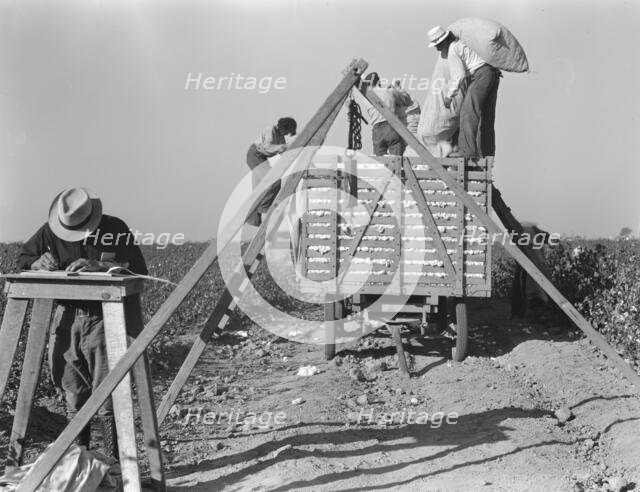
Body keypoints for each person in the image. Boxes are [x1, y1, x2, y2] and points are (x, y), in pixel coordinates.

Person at [18, 187, 148, 457]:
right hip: (65, 318)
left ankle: (114, 464)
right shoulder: (49, 232)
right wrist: (37, 264)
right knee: (74, 394)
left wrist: (101, 267)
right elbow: (23, 259)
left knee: (108, 395)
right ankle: (80, 462)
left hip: (104, 319)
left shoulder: (114, 228)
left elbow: (139, 268)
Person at [427, 25, 501, 160]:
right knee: (486, 118)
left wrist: (449, 96)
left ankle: (466, 153)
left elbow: (459, 75)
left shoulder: (452, 50)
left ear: (444, 41)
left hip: (481, 76)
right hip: (492, 74)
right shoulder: (462, 43)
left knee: (468, 112)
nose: (437, 48)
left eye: (437, 44)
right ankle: (487, 154)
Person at [246, 117, 297, 226]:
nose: (287, 134)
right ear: (283, 128)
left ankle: (253, 219)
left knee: (259, 190)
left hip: (261, 158)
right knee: (274, 182)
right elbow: (267, 147)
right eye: (287, 132)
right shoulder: (271, 130)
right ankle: (263, 209)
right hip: (255, 156)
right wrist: (283, 147)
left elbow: (283, 152)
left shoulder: (280, 137)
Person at [356, 72, 413, 156]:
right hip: (391, 126)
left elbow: (379, 98)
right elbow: (406, 100)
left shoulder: (366, 98)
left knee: (380, 162)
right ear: (379, 82)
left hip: (376, 130)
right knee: (396, 160)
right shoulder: (389, 92)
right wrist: (398, 88)